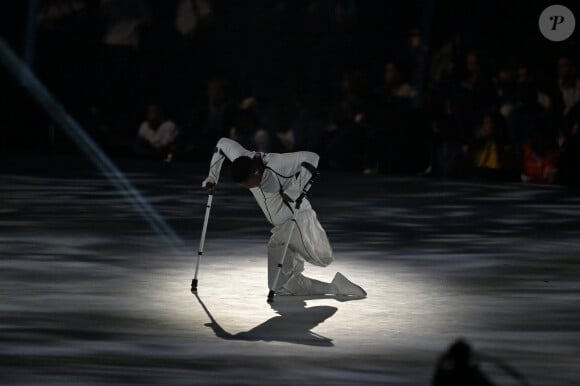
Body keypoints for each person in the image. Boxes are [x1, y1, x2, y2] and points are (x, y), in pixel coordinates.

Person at [201, 137, 366, 297]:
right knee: (280, 285)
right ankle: (335, 286)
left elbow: (312, 157)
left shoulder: (278, 164)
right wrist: (212, 177)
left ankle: (335, 286)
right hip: (282, 228)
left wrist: (295, 190)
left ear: (256, 171)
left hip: (298, 221)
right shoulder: (242, 159)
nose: (247, 187)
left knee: (319, 259)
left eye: (248, 183)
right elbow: (222, 144)